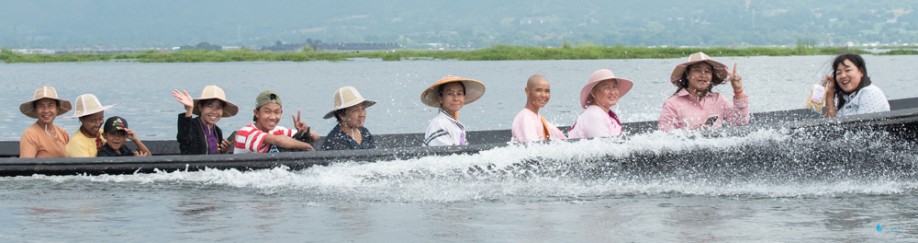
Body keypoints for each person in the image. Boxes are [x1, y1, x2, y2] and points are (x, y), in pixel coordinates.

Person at [658, 52, 750, 131]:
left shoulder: (719, 99)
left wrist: (738, 90)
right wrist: (692, 133)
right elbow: (665, 136)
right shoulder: (672, 104)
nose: (703, 75)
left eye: (707, 71)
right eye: (697, 70)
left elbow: (741, 122)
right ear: (687, 74)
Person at [233, 89, 320, 154]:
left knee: (302, 138)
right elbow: (280, 140)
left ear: (281, 113)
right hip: (243, 173)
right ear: (256, 113)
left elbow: (316, 137)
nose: (272, 117)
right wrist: (307, 147)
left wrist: (303, 131)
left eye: (277, 112)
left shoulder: (277, 130)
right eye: (267, 112)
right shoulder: (246, 132)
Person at [420, 76, 486, 146]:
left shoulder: (456, 124)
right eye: (450, 94)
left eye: (459, 94)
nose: (456, 98)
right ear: (440, 98)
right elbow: (443, 155)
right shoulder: (439, 124)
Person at [172, 85, 239, 155]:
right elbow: (183, 138)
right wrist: (189, 109)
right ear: (201, 107)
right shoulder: (191, 126)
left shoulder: (217, 131)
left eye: (219, 107)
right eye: (210, 106)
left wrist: (223, 152)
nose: (214, 111)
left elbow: (216, 158)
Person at [568, 69, 634, 139]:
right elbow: (603, 147)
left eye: (615, 87)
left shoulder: (604, 114)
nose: (612, 92)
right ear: (593, 92)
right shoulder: (594, 115)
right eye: (606, 88)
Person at [822, 53, 890, 117]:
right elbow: (831, 124)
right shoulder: (846, 97)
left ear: (861, 72)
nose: (843, 76)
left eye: (848, 70)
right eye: (839, 73)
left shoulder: (870, 93)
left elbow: (862, 127)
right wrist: (829, 93)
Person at [19, 86, 72, 158]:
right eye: (41, 106)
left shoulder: (62, 133)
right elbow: (26, 165)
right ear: (35, 109)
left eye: (50, 105)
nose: (46, 110)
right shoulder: (30, 134)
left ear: (57, 109)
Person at [511, 74, 566, 142]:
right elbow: (532, 147)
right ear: (527, 91)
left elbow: (565, 141)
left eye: (547, 91)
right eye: (538, 90)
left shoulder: (539, 118)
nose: (543, 95)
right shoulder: (526, 118)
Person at [321, 86, 377, 150]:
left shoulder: (364, 132)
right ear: (342, 115)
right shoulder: (335, 141)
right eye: (356, 110)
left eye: (363, 109)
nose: (362, 114)